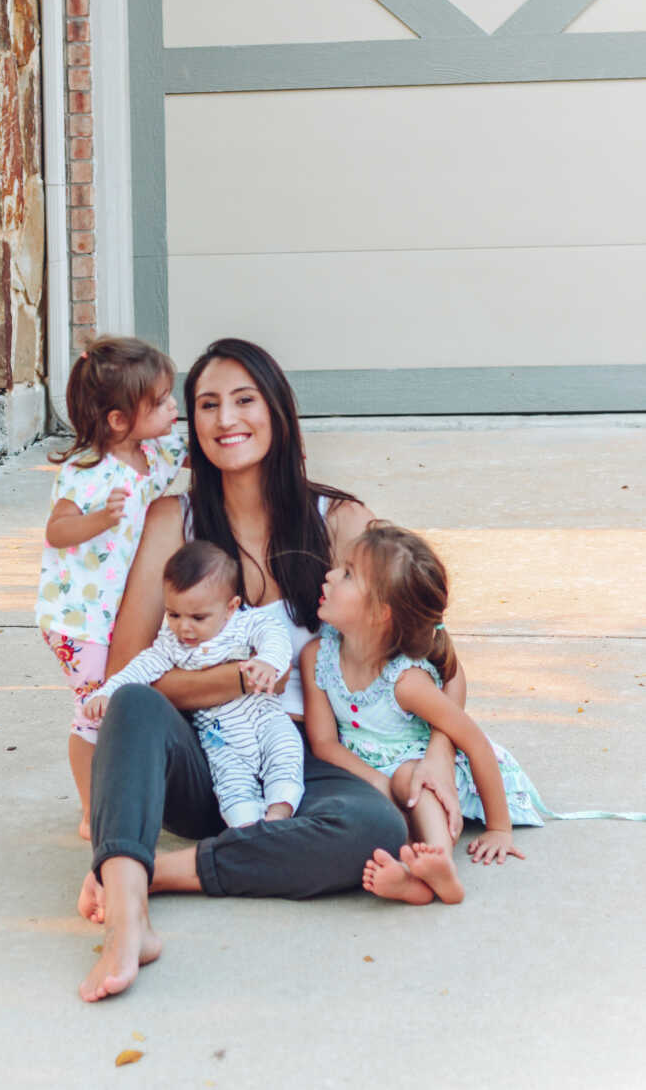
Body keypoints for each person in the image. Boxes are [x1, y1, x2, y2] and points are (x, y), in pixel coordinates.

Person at [76, 338, 468, 1002]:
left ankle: (151, 873)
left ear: (278, 411)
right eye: (206, 404)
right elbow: (127, 677)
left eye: (244, 400)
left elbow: (431, 647)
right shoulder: (175, 521)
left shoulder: (339, 521)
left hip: (317, 762)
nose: (226, 419)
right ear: (193, 424)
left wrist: (439, 749)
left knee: (373, 831)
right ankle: (127, 926)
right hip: (206, 758)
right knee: (132, 708)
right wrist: (236, 679)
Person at [302, 520, 540, 906]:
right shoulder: (318, 657)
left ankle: (441, 863)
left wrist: (499, 828)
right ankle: (413, 879)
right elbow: (324, 743)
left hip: (423, 773)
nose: (329, 575)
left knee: (413, 780)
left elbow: (475, 743)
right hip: (368, 773)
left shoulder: (406, 682)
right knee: (387, 793)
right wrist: (375, 781)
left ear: (379, 613)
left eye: (347, 574)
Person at [35, 335, 187, 838]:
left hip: (113, 615)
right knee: (95, 709)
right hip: (77, 620)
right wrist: (99, 519)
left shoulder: (156, 452)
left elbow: (199, 453)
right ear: (119, 420)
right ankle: (89, 807)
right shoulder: (87, 474)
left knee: (116, 699)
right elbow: (57, 531)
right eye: (161, 401)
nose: (173, 408)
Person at [84, 540, 304, 826]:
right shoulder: (171, 645)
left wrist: (268, 661)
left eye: (198, 617)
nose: (184, 627)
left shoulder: (245, 624)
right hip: (219, 735)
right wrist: (107, 692)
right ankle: (248, 828)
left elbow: (274, 636)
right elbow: (140, 668)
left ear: (230, 607)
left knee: (286, 751)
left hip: (265, 717)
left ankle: (278, 814)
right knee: (230, 783)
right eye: (173, 614)